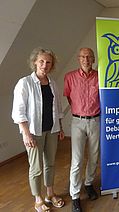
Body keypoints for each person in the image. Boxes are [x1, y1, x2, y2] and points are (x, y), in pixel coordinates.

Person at [12, 47, 65, 211]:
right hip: (34, 132)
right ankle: (38, 198)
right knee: (36, 167)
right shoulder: (25, 83)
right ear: (34, 62)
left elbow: (57, 107)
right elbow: (18, 111)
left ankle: (50, 193)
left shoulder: (53, 83)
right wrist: (26, 134)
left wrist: (60, 127)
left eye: (48, 62)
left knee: (50, 164)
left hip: (52, 130)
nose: (45, 65)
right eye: (41, 61)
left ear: (52, 65)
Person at [64, 47, 100, 212]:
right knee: (77, 161)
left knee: (93, 157)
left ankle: (88, 184)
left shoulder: (100, 76)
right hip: (77, 122)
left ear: (93, 59)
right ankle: (75, 196)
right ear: (78, 59)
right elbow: (70, 100)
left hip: (95, 121)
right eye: (83, 57)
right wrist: (80, 112)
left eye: (89, 57)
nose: (86, 59)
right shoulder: (69, 77)